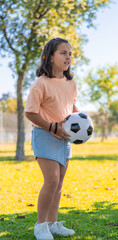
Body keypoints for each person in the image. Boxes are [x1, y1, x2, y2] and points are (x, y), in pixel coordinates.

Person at [24, 38, 79, 240]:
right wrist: (52, 126)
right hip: (44, 134)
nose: (68, 57)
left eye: (70, 54)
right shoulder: (40, 84)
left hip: (64, 137)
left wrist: (83, 121)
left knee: (59, 183)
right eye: (63, 53)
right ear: (50, 57)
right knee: (52, 180)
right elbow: (30, 112)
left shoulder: (70, 83)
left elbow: (71, 108)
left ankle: (53, 223)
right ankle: (41, 226)